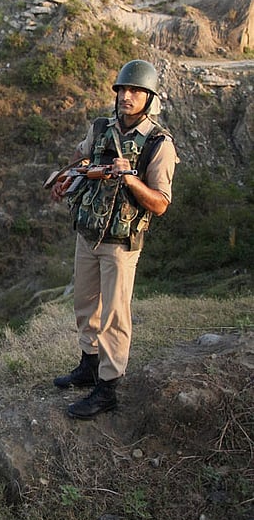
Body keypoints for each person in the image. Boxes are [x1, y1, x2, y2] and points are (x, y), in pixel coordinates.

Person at [50, 59, 178, 419]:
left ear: (148, 97)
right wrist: (66, 176)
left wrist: (130, 178)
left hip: (121, 243)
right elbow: (81, 156)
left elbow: (161, 203)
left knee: (114, 315)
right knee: (84, 304)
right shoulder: (101, 128)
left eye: (135, 91)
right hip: (88, 233)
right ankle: (89, 365)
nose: (126, 96)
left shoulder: (158, 143)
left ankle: (107, 388)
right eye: (122, 89)